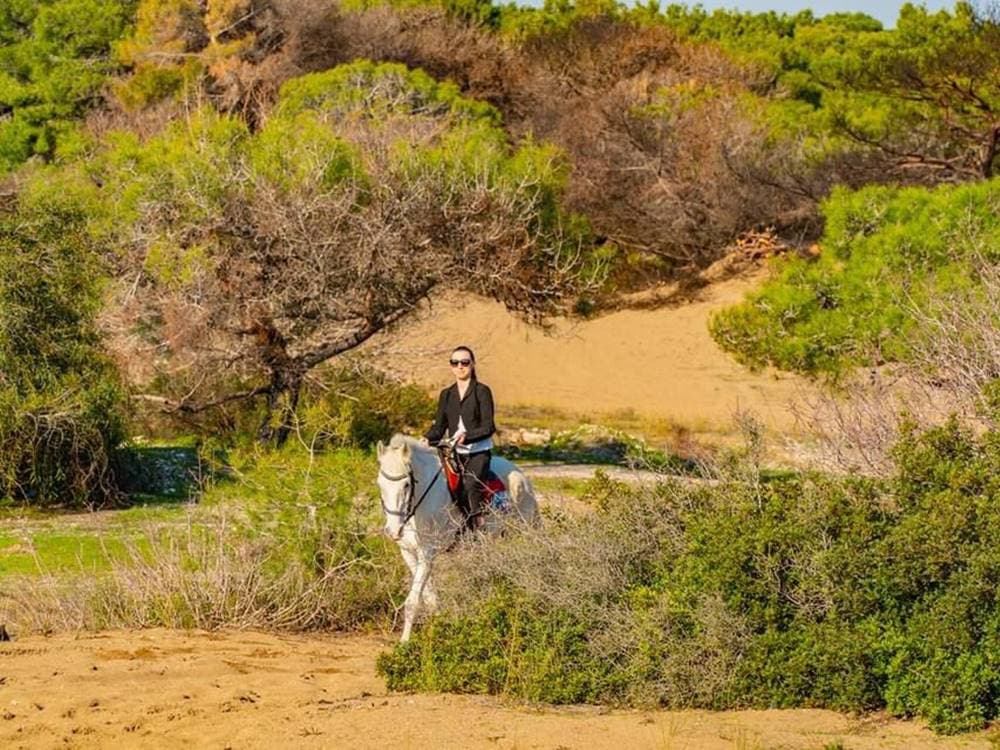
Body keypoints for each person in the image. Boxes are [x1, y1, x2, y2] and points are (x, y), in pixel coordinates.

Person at [424, 345, 496, 529]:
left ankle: (477, 527)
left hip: (478, 451)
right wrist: (427, 439)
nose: (460, 366)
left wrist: (467, 437)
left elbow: (489, 427)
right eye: (455, 363)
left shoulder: (482, 391)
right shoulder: (446, 394)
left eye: (464, 362)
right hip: (452, 452)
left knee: (471, 485)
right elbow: (439, 427)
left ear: (472, 364)